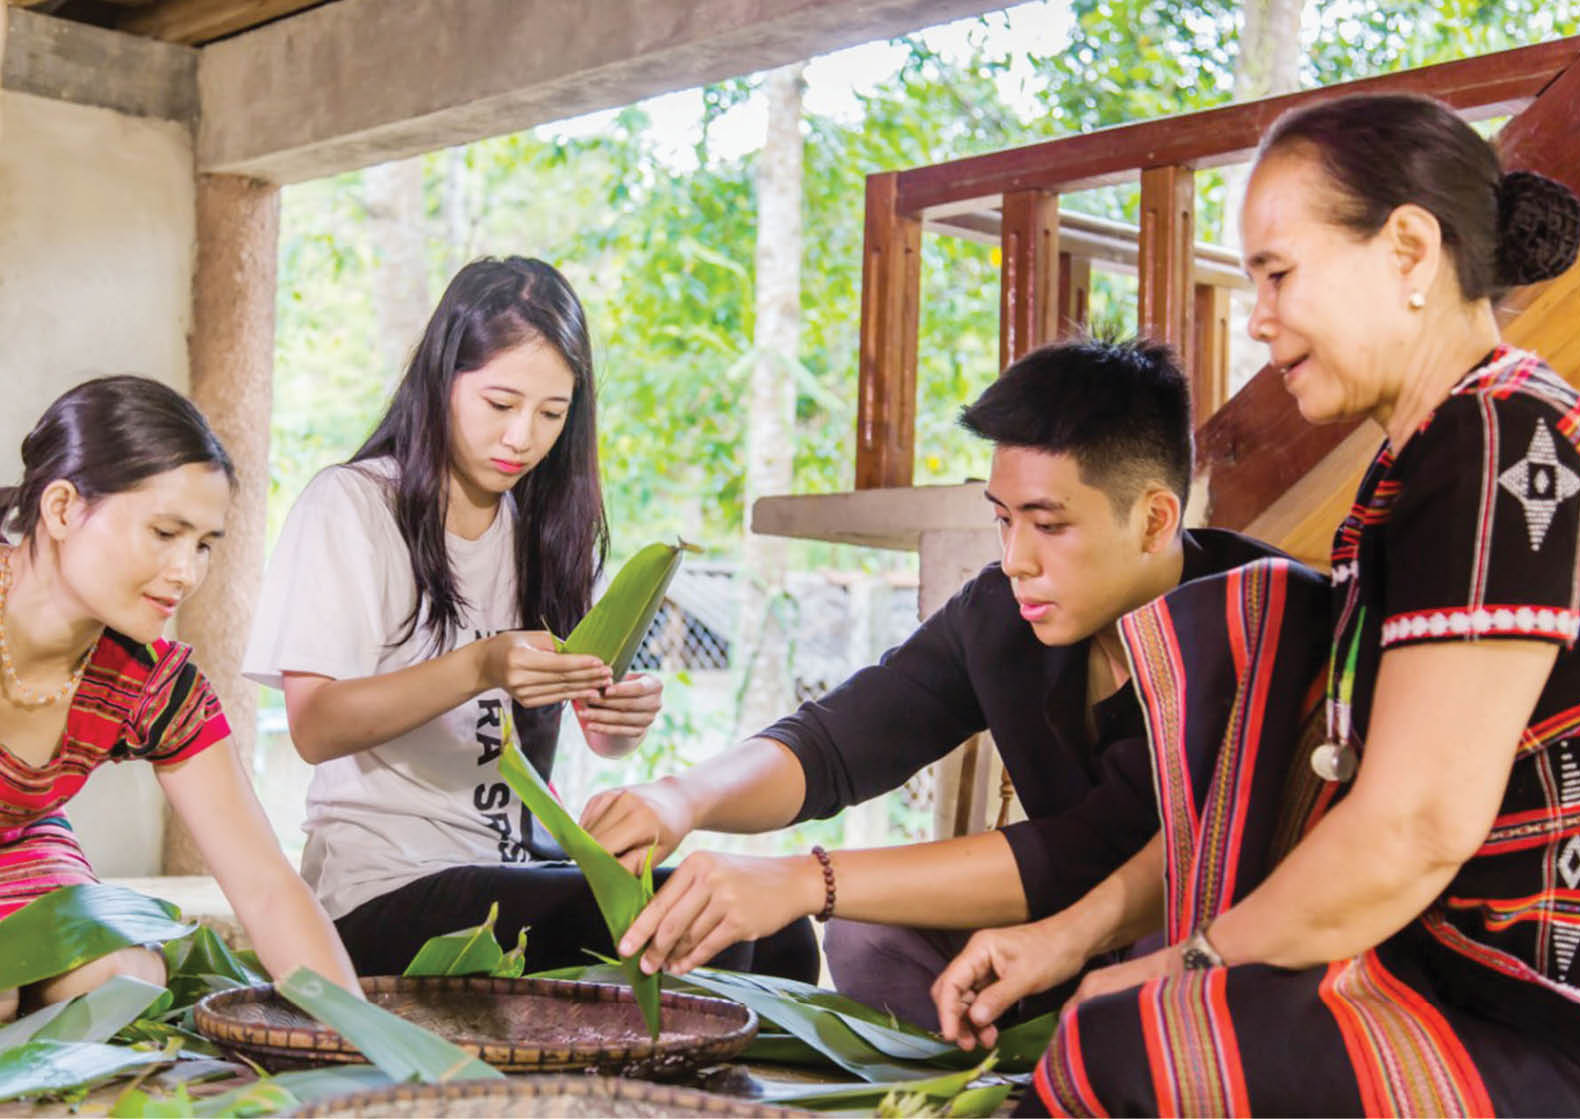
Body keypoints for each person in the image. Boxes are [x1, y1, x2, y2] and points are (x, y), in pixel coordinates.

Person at [932, 92, 1580, 1116]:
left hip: (1576, 1034)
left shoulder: (1502, 446)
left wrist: (1178, 968)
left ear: (1409, 251)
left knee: (1124, 1047)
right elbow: (1288, 795)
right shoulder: (1432, 460)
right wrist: (1067, 938)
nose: (1258, 318)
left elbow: (1412, 828)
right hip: (1459, 984)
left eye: (1277, 274)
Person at [583, 335, 1295, 1028]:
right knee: (867, 933)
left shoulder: (1252, 621)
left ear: (1154, 520)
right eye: (1003, 520)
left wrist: (804, 879)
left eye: (1049, 525)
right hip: (1052, 949)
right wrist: (681, 797)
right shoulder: (1005, 613)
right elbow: (840, 740)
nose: (1016, 558)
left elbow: (1094, 851)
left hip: (1198, 963)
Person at [243, 256, 814, 980]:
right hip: (385, 887)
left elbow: (596, 733)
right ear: (442, 379)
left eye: (551, 414)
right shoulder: (354, 504)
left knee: (779, 931)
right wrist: (479, 666)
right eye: (500, 403)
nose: (522, 437)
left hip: (521, 866)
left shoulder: (544, 526)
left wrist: (617, 716)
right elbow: (315, 726)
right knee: (696, 934)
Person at [0, 376, 359, 1022]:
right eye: (165, 533)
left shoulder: (151, 683)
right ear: (62, 509)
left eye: (202, 545)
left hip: (19, 845)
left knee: (126, 977)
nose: (186, 573)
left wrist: (365, 1033)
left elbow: (265, 885)